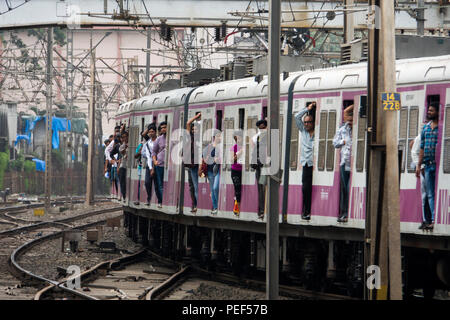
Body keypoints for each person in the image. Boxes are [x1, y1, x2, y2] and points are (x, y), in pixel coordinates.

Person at [416, 103, 439, 230]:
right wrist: (419, 166)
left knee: (433, 194)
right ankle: (431, 219)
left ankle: (435, 219)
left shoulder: (440, 128)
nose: (429, 112)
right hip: (428, 165)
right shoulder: (425, 129)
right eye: (428, 110)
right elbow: (422, 148)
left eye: (431, 110)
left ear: (437, 112)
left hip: (438, 165)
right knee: (430, 194)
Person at [295, 102, 316, 221]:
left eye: (309, 122)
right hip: (306, 164)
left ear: (313, 123)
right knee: (305, 188)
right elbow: (296, 117)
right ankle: (306, 210)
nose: (307, 124)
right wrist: (307, 109)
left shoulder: (317, 133)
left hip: (316, 165)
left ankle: (310, 210)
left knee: (312, 189)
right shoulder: (303, 131)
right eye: (306, 122)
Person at [333, 105, 354, 223]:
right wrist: (343, 141)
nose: (350, 123)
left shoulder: (358, 128)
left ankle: (348, 213)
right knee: (345, 189)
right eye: (349, 121)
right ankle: (344, 212)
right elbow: (335, 143)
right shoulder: (342, 129)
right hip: (344, 163)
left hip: (354, 165)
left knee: (350, 188)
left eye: (352, 121)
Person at [410, 131, 432, 230]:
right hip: (425, 168)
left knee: (429, 195)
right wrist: (421, 167)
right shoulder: (423, 133)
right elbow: (414, 151)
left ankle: (430, 220)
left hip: (430, 168)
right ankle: (426, 220)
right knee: (426, 195)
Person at [251, 119, 268, 219]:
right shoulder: (257, 137)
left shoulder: (257, 137)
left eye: (263, 128)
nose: (262, 130)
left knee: (262, 188)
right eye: (260, 128)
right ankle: (262, 210)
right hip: (260, 167)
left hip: (264, 167)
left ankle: (262, 210)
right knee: (261, 188)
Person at [202, 131, 222, 215]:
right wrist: (212, 159)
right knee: (212, 189)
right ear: (214, 137)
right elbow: (204, 158)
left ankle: (217, 206)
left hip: (218, 170)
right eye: (218, 136)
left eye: (220, 136)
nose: (220, 138)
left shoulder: (221, 146)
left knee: (215, 187)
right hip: (210, 170)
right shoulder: (209, 147)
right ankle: (215, 207)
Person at [186, 113, 202, 213]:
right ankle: (196, 205)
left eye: (196, 129)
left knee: (198, 186)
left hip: (200, 165)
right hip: (192, 165)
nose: (194, 130)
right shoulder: (189, 137)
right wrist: (196, 117)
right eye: (192, 129)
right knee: (195, 186)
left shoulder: (201, 139)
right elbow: (188, 123)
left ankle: (198, 205)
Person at [152, 122, 167, 208]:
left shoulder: (172, 138)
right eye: (162, 128)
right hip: (160, 164)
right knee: (160, 183)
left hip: (170, 166)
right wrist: (154, 161)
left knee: (166, 184)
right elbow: (154, 151)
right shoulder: (159, 139)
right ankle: (161, 201)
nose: (163, 129)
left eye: (165, 127)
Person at [142, 124, 157, 206]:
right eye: (150, 132)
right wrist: (151, 168)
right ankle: (149, 198)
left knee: (157, 182)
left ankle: (158, 200)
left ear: (155, 132)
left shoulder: (158, 141)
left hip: (157, 163)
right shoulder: (147, 143)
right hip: (149, 163)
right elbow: (145, 154)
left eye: (152, 131)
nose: (151, 133)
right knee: (147, 182)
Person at [230, 131, 243, 217]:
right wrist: (239, 154)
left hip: (243, 171)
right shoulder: (233, 148)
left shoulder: (245, 147)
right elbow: (231, 160)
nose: (238, 139)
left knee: (240, 190)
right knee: (237, 189)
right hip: (235, 171)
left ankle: (238, 206)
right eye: (236, 138)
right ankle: (237, 208)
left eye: (239, 137)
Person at [118, 131, 128, 202]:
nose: (124, 138)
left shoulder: (131, 144)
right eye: (123, 137)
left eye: (125, 136)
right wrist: (125, 147)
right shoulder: (121, 146)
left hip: (129, 166)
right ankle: (123, 195)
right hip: (123, 165)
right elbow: (122, 152)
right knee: (122, 181)